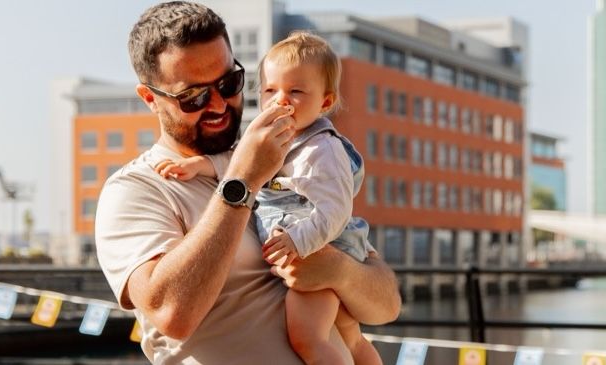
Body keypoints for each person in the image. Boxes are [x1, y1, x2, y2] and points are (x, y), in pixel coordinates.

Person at [94, 2, 401, 364]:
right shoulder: (135, 190)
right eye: (194, 96)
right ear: (150, 98)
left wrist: (338, 270)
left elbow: (386, 306)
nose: (220, 105)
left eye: (229, 83)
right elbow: (172, 312)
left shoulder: (286, 158)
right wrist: (242, 180)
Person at [154, 31, 380, 365]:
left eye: (296, 92)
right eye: (270, 90)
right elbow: (240, 161)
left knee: (308, 338)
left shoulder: (323, 149)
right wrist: (198, 166)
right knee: (351, 338)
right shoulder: (276, 136)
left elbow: (335, 210)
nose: (279, 101)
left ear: (326, 102)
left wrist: (297, 242)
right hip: (303, 249)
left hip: (314, 248)